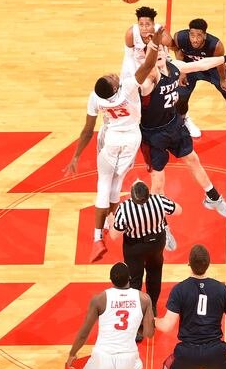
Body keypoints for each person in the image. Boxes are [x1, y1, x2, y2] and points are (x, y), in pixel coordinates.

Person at [64, 26, 166, 262]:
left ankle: (97, 237)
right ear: (114, 88)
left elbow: (88, 131)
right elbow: (148, 65)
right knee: (116, 183)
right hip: (129, 138)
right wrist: (154, 44)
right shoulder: (128, 88)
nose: (113, 74)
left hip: (109, 139)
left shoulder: (95, 97)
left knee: (103, 185)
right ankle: (110, 224)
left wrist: (76, 156)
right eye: (112, 78)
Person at [138, 41, 226, 224]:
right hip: (153, 135)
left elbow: (202, 64)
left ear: (167, 51)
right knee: (158, 182)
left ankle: (213, 198)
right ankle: (159, 224)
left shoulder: (176, 66)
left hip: (174, 124)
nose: (158, 52)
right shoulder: (149, 78)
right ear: (147, 56)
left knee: (193, 159)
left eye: (161, 49)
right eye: (153, 51)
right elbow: (141, 85)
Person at [66, 262, 155, 369]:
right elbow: (149, 333)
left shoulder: (99, 299)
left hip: (102, 358)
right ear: (130, 278)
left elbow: (83, 333)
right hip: (128, 359)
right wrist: (140, 323)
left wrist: (72, 354)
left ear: (111, 280)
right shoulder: (144, 299)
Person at [109, 180, 182, 327]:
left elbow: (114, 235)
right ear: (148, 194)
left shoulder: (124, 209)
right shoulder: (159, 201)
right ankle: (152, 308)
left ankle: (137, 318)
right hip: (156, 243)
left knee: (135, 279)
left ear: (132, 196)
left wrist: (112, 221)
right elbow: (179, 210)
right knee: (154, 273)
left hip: (135, 248)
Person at [173, 18, 226, 142]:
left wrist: (223, 78)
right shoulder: (179, 37)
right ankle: (183, 123)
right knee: (181, 96)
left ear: (205, 35)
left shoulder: (216, 45)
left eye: (199, 35)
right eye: (192, 35)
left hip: (212, 69)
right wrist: (182, 72)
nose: (195, 39)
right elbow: (178, 51)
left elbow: (220, 62)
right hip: (190, 68)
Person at [121, 6, 175, 81]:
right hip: (136, 63)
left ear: (153, 24)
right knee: (128, 86)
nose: (144, 28)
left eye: (147, 25)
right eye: (141, 24)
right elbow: (129, 56)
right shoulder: (131, 34)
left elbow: (174, 48)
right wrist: (135, 77)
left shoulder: (162, 34)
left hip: (157, 63)